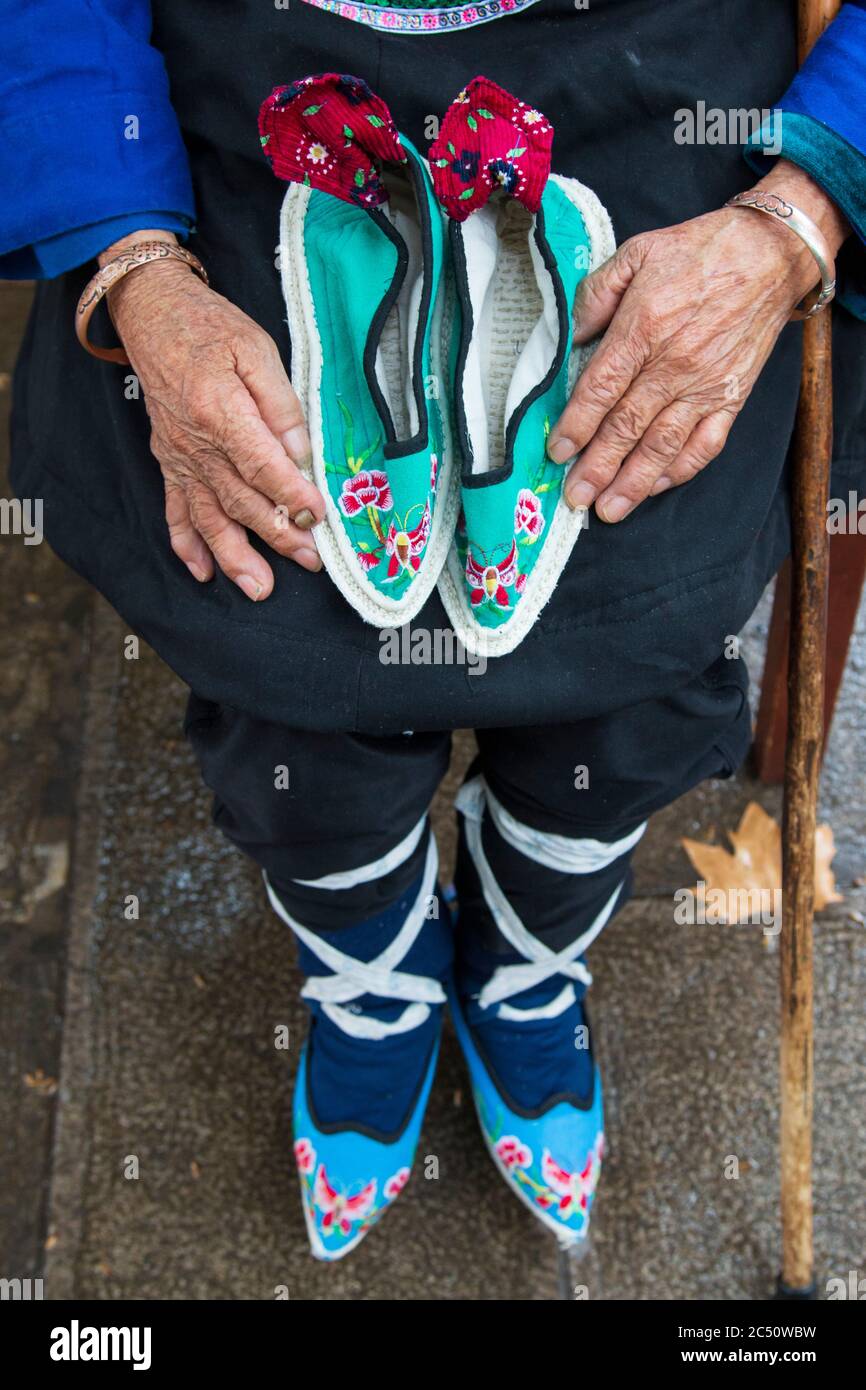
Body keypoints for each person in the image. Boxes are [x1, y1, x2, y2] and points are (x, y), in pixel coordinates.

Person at [3, 0, 865, 1261]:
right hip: (259, 118)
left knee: (633, 667)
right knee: (286, 661)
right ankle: (371, 987)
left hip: (658, 129)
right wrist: (129, 257)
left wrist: (800, 208)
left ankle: (525, 972)